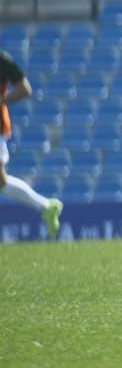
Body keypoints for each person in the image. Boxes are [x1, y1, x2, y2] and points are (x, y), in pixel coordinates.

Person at [0, 49, 63, 239]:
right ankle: (46, 206)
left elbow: (24, 89)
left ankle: (46, 206)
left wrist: (2, 101)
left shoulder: (2, 61)